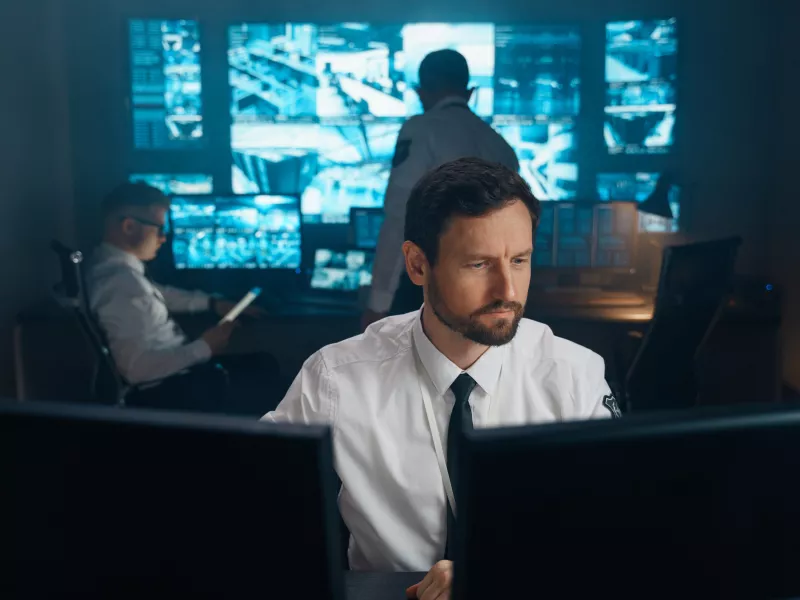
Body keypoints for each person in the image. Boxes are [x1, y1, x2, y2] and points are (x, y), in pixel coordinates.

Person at [264, 158, 621, 599]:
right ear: (417, 265)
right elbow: (251, 502)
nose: (508, 291)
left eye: (520, 260)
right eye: (478, 264)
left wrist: (496, 572)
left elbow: (615, 533)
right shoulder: (336, 379)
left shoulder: (575, 376)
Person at [86, 182, 282, 415]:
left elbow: (158, 293)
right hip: (169, 389)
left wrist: (212, 303)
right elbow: (136, 370)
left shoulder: (113, 270)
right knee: (269, 375)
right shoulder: (120, 284)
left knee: (265, 363)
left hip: (175, 372)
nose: (164, 238)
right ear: (129, 226)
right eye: (160, 229)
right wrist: (205, 346)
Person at [363, 49, 520, 330]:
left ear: (420, 92)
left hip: (431, 292)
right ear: (470, 92)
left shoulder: (421, 130)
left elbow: (400, 216)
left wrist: (378, 303)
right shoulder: (501, 146)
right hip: (490, 293)